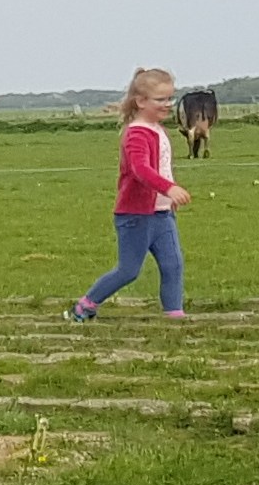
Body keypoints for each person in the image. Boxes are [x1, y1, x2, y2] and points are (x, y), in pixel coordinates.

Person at [68, 67, 191, 323]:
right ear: (141, 101)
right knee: (128, 270)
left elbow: (162, 167)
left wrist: (167, 200)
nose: (168, 104)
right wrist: (168, 189)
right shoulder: (137, 133)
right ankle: (85, 305)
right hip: (136, 215)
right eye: (161, 100)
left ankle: (174, 314)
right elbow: (140, 170)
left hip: (161, 215)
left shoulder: (156, 129)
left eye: (170, 98)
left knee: (173, 265)